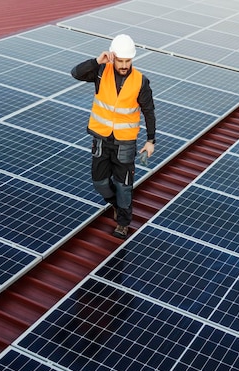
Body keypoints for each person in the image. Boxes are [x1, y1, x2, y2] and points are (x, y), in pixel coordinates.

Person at [71, 34, 156, 239]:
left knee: (123, 186)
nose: (125, 65)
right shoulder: (101, 72)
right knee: (99, 182)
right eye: (121, 60)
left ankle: (123, 222)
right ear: (113, 57)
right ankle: (117, 205)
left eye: (128, 61)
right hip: (101, 138)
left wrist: (150, 141)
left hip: (125, 142)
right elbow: (75, 73)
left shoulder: (140, 81)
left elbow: (149, 111)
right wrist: (96, 61)